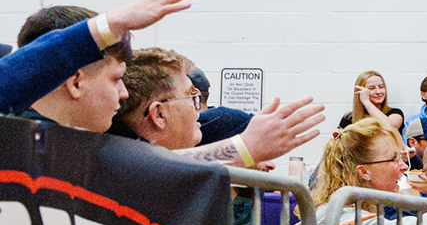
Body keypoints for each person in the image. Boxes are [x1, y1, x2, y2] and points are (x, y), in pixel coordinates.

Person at [2, 0, 205, 119]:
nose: (124, 93)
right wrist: (112, 22)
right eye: (116, 78)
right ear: (76, 82)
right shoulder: (16, 144)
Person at [113, 47, 326, 167]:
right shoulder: (120, 166)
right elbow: (159, 168)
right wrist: (246, 147)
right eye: (190, 97)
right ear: (159, 114)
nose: (197, 108)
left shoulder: (120, 161)